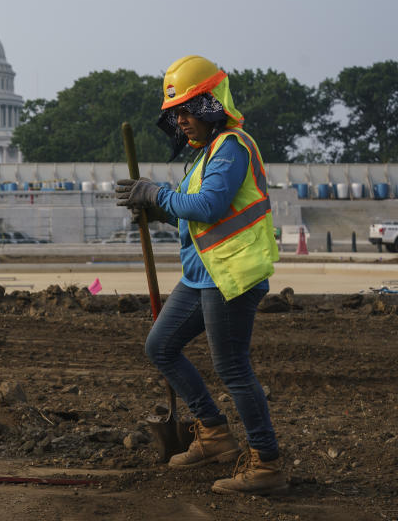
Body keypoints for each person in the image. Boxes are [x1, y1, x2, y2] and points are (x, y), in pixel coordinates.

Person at [115, 55, 287, 494]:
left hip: (230, 275)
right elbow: (198, 218)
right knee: (161, 346)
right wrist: (158, 213)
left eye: (189, 109)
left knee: (232, 368)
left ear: (212, 103)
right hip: (202, 276)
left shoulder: (232, 146)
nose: (182, 120)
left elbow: (208, 206)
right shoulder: (204, 154)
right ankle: (213, 434)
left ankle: (266, 463)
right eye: (177, 112)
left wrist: (157, 192)